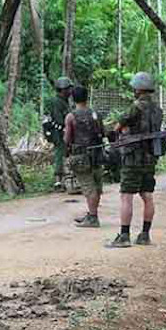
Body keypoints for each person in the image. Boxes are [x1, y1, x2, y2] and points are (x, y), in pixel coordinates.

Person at [107, 72, 163, 248]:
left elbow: (119, 126)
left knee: (126, 196)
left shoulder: (136, 107)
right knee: (147, 195)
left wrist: (118, 132)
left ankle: (124, 236)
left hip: (133, 158)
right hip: (150, 158)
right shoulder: (158, 110)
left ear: (139, 89)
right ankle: (145, 235)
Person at [64, 86, 105, 228]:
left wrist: (67, 152)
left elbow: (67, 138)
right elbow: (102, 132)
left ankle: (93, 217)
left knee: (88, 187)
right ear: (86, 97)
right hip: (97, 154)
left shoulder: (71, 116)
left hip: (81, 156)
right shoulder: (96, 114)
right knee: (96, 185)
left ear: (73, 98)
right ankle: (92, 213)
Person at [44, 77, 74, 191]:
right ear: (62, 90)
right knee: (59, 154)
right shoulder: (56, 102)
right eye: (68, 89)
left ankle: (67, 179)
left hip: (63, 131)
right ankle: (58, 181)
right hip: (59, 132)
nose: (70, 92)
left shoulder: (64, 101)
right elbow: (59, 120)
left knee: (65, 154)